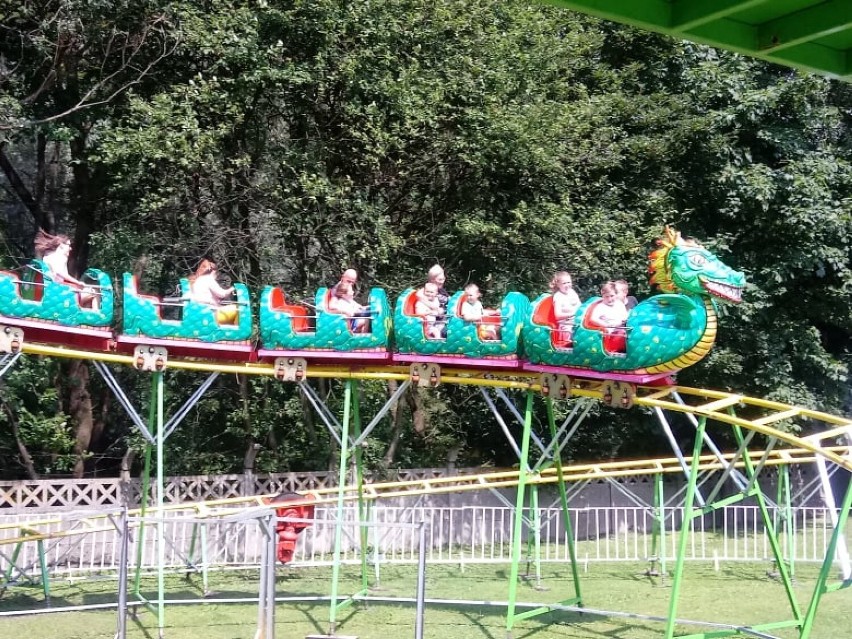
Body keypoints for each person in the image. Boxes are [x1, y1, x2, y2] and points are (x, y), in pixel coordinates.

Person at [33, 229, 99, 308]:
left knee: (85, 293)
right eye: (68, 245)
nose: (70, 248)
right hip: (61, 294)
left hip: (53, 292)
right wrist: (77, 282)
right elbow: (61, 273)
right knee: (95, 292)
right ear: (61, 246)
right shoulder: (60, 257)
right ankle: (96, 315)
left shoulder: (47, 257)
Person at [187, 259, 239, 325]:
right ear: (213, 271)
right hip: (209, 310)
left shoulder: (198, 280)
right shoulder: (209, 279)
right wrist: (232, 289)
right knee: (236, 308)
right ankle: (234, 330)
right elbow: (222, 294)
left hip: (198, 308)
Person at [550, 271, 581, 344]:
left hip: (576, 322)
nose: (567, 285)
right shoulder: (558, 296)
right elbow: (558, 316)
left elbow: (580, 306)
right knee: (569, 331)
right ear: (558, 284)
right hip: (566, 325)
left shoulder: (572, 292)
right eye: (564, 283)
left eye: (569, 282)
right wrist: (573, 313)